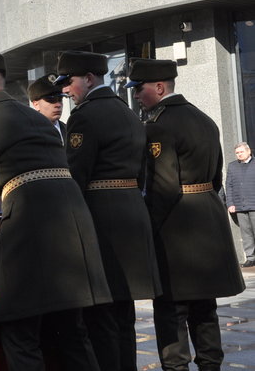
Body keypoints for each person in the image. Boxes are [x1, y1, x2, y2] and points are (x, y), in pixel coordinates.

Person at [0, 52, 110, 371]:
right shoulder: (35, 118)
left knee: (20, 331)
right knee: (72, 333)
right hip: (74, 228)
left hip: (32, 230)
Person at [128, 58, 244, 371]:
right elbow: (216, 177)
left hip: (176, 229)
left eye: (139, 88)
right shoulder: (205, 120)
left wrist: (148, 228)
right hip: (208, 218)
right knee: (205, 309)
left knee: (171, 310)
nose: (136, 95)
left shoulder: (159, 125)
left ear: (159, 87)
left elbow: (163, 186)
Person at [56, 51, 161, 371]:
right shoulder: (128, 111)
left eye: (69, 82)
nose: (65, 90)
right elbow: (142, 174)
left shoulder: (85, 116)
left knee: (101, 317)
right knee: (124, 315)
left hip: (101, 219)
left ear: (89, 79)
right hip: (131, 213)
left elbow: (76, 176)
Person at [225, 142, 255, 267]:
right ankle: (251, 258)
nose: (239, 154)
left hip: (253, 204)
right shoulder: (232, 166)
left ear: (249, 151)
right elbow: (229, 186)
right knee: (246, 233)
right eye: (237, 153)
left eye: (241, 152)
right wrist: (230, 203)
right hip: (239, 205)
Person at [27, 73, 66, 142]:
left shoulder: (70, 130)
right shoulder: (28, 133)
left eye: (60, 99)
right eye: (51, 100)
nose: (58, 105)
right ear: (36, 104)